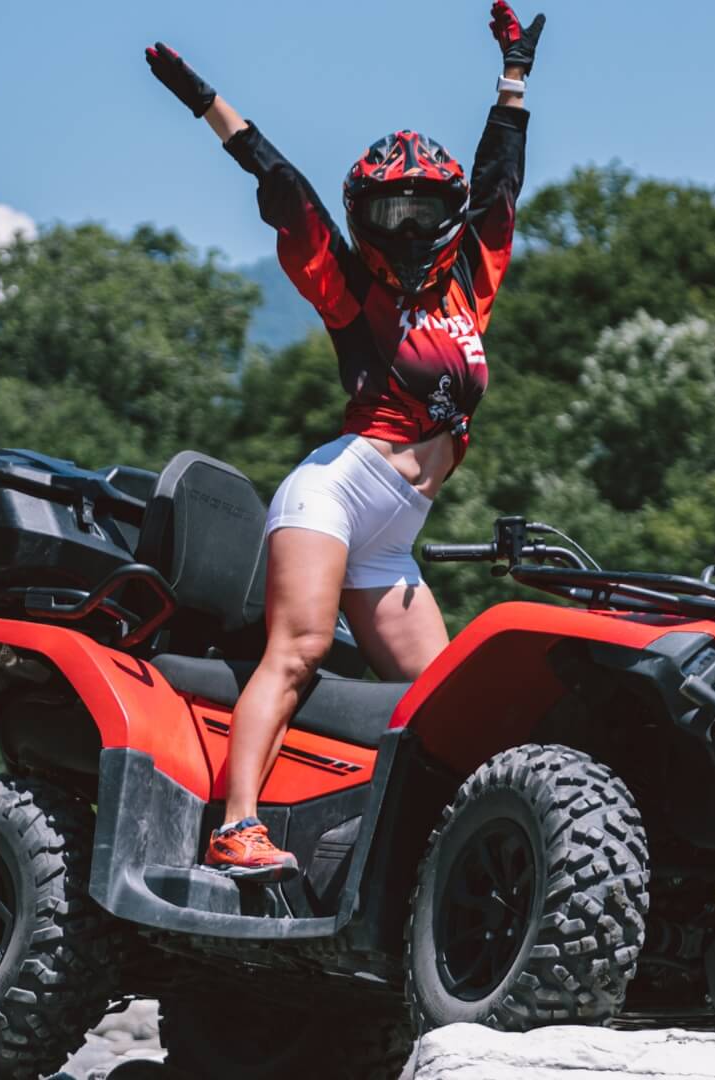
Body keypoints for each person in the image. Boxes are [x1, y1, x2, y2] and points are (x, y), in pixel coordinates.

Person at [145, 2, 545, 881]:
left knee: (448, 700)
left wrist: (513, 77)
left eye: (423, 209)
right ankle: (236, 827)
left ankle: (433, 862)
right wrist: (207, 103)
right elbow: (284, 188)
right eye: (389, 210)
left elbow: (499, 181)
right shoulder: (350, 289)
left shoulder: (469, 284)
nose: (406, 227)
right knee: (300, 652)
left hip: (391, 537)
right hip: (335, 495)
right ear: (366, 217)